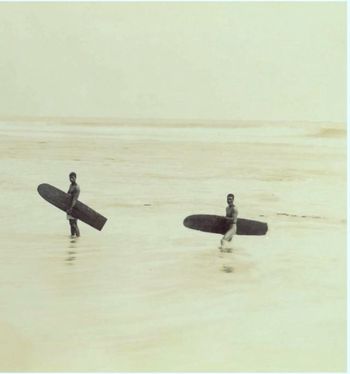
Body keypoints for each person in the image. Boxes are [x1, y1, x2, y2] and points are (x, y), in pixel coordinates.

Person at [67, 172, 80, 238]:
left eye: (73, 178)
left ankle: (78, 237)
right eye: (70, 178)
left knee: (74, 224)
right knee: (71, 224)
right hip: (69, 206)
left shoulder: (76, 188)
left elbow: (74, 199)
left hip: (74, 207)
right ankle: (72, 237)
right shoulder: (71, 185)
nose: (71, 179)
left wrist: (70, 208)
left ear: (75, 178)